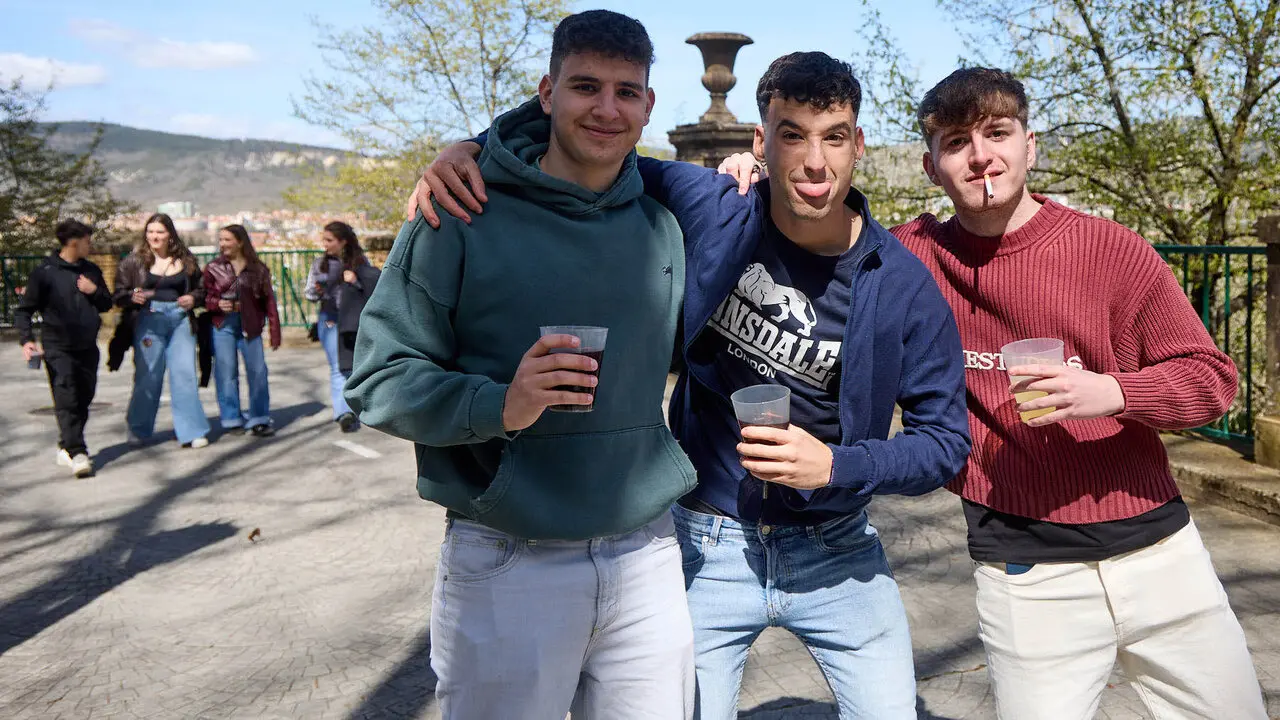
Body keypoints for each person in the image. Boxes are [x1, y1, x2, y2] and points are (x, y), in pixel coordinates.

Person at [411, 52, 972, 719]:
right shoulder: (715, 205)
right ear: (760, 143)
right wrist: (471, 147)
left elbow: (946, 442)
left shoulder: (902, 284)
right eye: (792, 134)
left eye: (835, 136)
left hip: (837, 549)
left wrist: (837, 465)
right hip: (707, 542)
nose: (816, 162)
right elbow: (592, 142)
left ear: (858, 145)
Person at [719, 66, 1267, 719]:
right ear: (931, 166)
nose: (981, 156)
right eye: (956, 142)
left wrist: (1112, 391)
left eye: (998, 133)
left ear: (1029, 146)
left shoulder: (1110, 251)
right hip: (1023, 570)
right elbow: (812, 223)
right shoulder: (909, 260)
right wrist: (746, 176)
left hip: (1160, 555)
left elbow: (1212, 379)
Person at [344, 10, 698, 719]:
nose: (606, 108)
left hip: (647, 554)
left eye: (627, 92)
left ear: (649, 105)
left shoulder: (661, 225)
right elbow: (378, 379)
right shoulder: (458, 210)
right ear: (546, 92)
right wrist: (499, 404)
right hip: (509, 555)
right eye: (584, 87)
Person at [15, 219, 113, 478]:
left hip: (87, 346)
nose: (90, 245)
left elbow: (106, 303)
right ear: (73, 242)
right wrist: (27, 339)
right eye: (87, 241)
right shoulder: (44, 272)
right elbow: (24, 310)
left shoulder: (91, 270)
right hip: (58, 346)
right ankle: (78, 451)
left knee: (84, 396)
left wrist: (93, 291)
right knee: (66, 395)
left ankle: (65, 445)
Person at [113, 213, 211, 449]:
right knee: (149, 376)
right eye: (150, 232)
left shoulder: (186, 260)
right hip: (148, 319)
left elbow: (201, 289)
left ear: (170, 235)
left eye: (160, 232)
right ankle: (138, 428)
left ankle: (191, 431)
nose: (154, 236)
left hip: (179, 320)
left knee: (184, 375)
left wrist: (192, 298)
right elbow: (118, 295)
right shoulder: (133, 261)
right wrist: (131, 297)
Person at [202, 224, 281, 437]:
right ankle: (231, 419)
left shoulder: (258, 269)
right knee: (226, 373)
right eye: (221, 240)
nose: (223, 244)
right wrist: (217, 303)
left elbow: (269, 302)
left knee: (257, 372)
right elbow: (204, 297)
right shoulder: (212, 268)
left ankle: (259, 418)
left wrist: (275, 332)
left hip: (251, 326)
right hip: (222, 326)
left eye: (227, 239)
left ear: (240, 241)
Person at [305, 221, 375, 433]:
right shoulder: (320, 264)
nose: (324, 244)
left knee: (354, 365)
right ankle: (343, 412)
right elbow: (309, 293)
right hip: (330, 319)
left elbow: (372, 288)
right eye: (324, 240)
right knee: (338, 366)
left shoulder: (360, 263)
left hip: (353, 321)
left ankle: (356, 408)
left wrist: (355, 281)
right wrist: (317, 290)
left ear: (343, 241)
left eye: (329, 240)